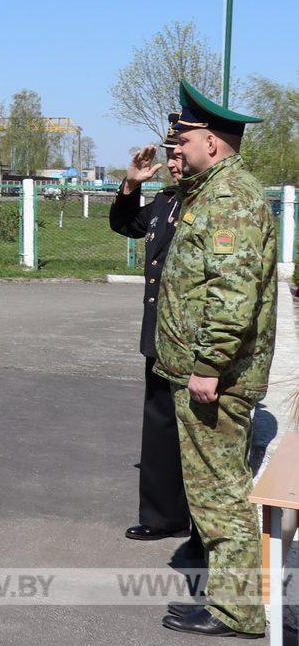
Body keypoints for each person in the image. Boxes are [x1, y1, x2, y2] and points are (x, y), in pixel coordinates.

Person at [155, 81, 278, 639]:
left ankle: (239, 612)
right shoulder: (209, 191)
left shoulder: (231, 199)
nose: (174, 150)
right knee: (212, 492)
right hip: (202, 371)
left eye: (182, 140)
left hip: (217, 379)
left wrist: (208, 365)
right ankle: (233, 603)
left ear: (212, 140)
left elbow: (232, 294)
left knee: (221, 494)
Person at [109, 120, 191, 545]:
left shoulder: (211, 206)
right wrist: (130, 183)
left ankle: (202, 528)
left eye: (181, 153)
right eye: (170, 155)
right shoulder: (165, 202)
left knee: (198, 435)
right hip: (160, 337)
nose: (174, 163)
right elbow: (126, 225)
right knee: (159, 427)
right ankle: (163, 516)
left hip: (195, 344)